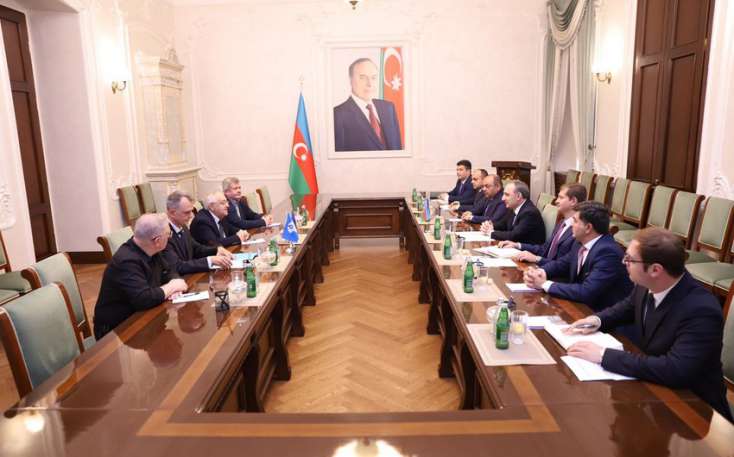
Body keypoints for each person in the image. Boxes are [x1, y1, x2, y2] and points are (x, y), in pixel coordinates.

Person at [565, 227, 732, 421]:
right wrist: (596, 320)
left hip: (692, 408)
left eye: (629, 259)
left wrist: (603, 355)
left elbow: (676, 369)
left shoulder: (701, 309)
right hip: (654, 389)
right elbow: (627, 307)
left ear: (655, 270)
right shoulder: (648, 283)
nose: (623, 262)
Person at [523, 201, 633, 310]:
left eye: (575, 221)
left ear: (588, 228)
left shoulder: (608, 252)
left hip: (599, 313)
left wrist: (544, 284)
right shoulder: (579, 242)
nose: (571, 225)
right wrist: (540, 272)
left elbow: (587, 291)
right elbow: (562, 264)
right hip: (579, 306)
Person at [93, 213, 188, 339]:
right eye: (168, 234)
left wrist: (174, 284)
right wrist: (172, 287)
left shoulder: (150, 248)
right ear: (157, 241)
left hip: (141, 315)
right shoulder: (126, 261)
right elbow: (144, 298)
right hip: (117, 330)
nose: (170, 237)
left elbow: (169, 270)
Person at [499, 183, 587, 264]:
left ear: (573, 201)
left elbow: (564, 265)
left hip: (553, 273)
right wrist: (518, 245)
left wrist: (536, 259)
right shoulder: (562, 223)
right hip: (544, 267)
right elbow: (544, 249)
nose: (556, 201)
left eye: (561, 197)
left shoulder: (579, 230)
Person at [334, 58, 402, 151]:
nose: (370, 84)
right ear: (350, 80)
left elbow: (397, 147)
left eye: (373, 78)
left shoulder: (388, 108)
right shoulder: (338, 115)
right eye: (363, 77)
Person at [163, 190, 233, 275]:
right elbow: (178, 266)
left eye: (191, 211)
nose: (191, 216)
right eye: (187, 212)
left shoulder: (183, 226)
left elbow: (197, 248)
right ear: (172, 213)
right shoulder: (164, 233)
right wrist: (210, 260)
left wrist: (216, 250)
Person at [481, 180, 545, 245]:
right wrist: (490, 226)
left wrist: (491, 233)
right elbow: (503, 224)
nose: (503, 198)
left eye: (507, 195)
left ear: (518, 196)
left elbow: (514, 235)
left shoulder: (529, 213)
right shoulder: (514, 207)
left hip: (526, 250)